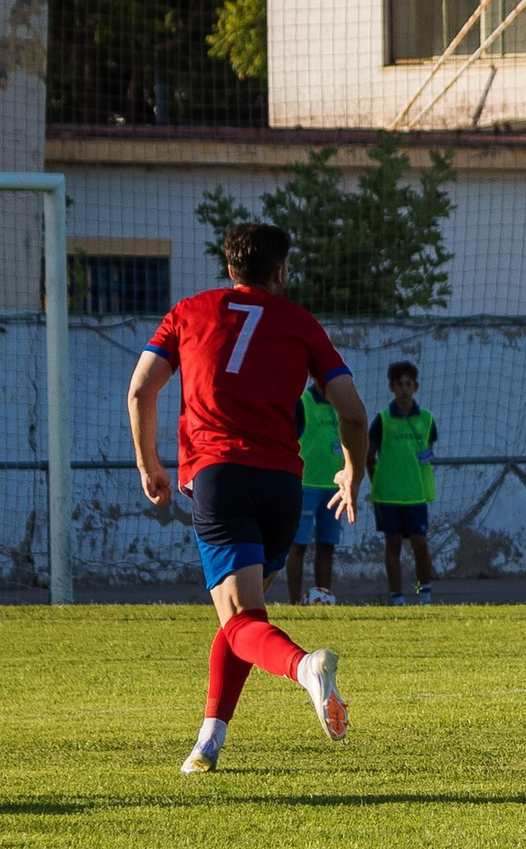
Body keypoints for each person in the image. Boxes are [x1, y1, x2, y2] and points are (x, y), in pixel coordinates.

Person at [127, 222, 367, 774]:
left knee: (239, 618)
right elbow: (352, 410)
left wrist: (150, 463)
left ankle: (305, 667)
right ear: (280, 270)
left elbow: (141, 389)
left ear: (229, 267)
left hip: (221, 478)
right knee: (243, 615)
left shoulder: (188, 311)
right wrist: (352, 472)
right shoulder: (300, 322)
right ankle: (208, 742)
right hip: (283, 486)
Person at [368, 361, 438, 606]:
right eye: (400, 384)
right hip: (388, 495)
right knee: (393, 545)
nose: (404, 389)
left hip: (416, 494)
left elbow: (427, 451)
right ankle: (397, 597)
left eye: (409, 384)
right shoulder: (382, 420)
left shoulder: (427, 419)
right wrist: (377, 480)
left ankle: (423, 593)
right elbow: (369, 456)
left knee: (420, 545)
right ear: (392, 387)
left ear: (415, 387)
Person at [287, 380, 344, 604]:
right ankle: (294, 603)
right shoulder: (303, 403)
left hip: (333, 488)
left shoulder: (339, 405)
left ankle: (324, 599)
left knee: (326, 546)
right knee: (298, 545)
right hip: (306, 486)